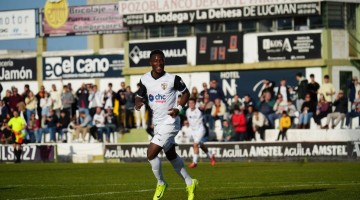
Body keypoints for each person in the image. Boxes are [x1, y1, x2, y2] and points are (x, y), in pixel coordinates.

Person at [134, 49, 198, 200]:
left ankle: (161, 183)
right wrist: (138, 103)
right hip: (158, 124)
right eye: (155, 60)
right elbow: (139, 95)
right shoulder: (145, 79)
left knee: (151, 154)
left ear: (164, 61)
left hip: (170, 122)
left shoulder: (173, 79)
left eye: (161, 60)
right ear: (151, 63)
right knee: (171, 155)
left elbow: (186, 93)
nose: (159, 63)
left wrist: (179, 108)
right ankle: (190, 183)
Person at [186, 98, 215, 168]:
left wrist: (204, 103)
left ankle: (194, 162)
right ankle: (211, 156)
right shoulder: (187, 111)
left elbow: (202, 109)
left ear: (195, 104)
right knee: (201, 145)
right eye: (189, 103)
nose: (191, 104)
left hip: (200, 130)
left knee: (195, 144)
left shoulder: (198, 111)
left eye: (192, 103)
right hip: (193, 131)